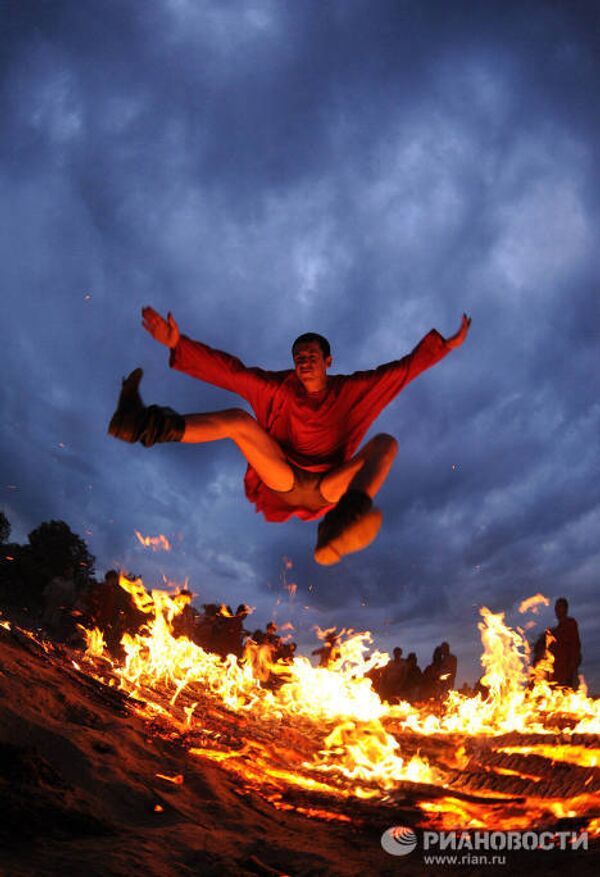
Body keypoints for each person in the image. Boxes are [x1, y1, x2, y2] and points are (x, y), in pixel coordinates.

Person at [109, 307, 471, 564]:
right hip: (283, 476)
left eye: (312, 355)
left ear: (328, 361)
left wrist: (445, 346)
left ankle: (345, 520)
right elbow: (231, 372)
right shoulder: (279, 388)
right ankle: (141, 424)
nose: (304, 361)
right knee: (237, 420)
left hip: (329, 486)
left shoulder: (351, 390)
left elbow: (401, 372)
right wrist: (178, 344)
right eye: (298, 356)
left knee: (386, 443)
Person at [550, 597, 581, 689]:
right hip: (557, 671)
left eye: (560, 607)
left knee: (569, 692)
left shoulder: (570, 624)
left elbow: (575, 645)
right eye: (556, 608)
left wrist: (573, 664)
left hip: (568, 669)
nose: (557, 610)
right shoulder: (555, 631)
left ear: (565, 609)